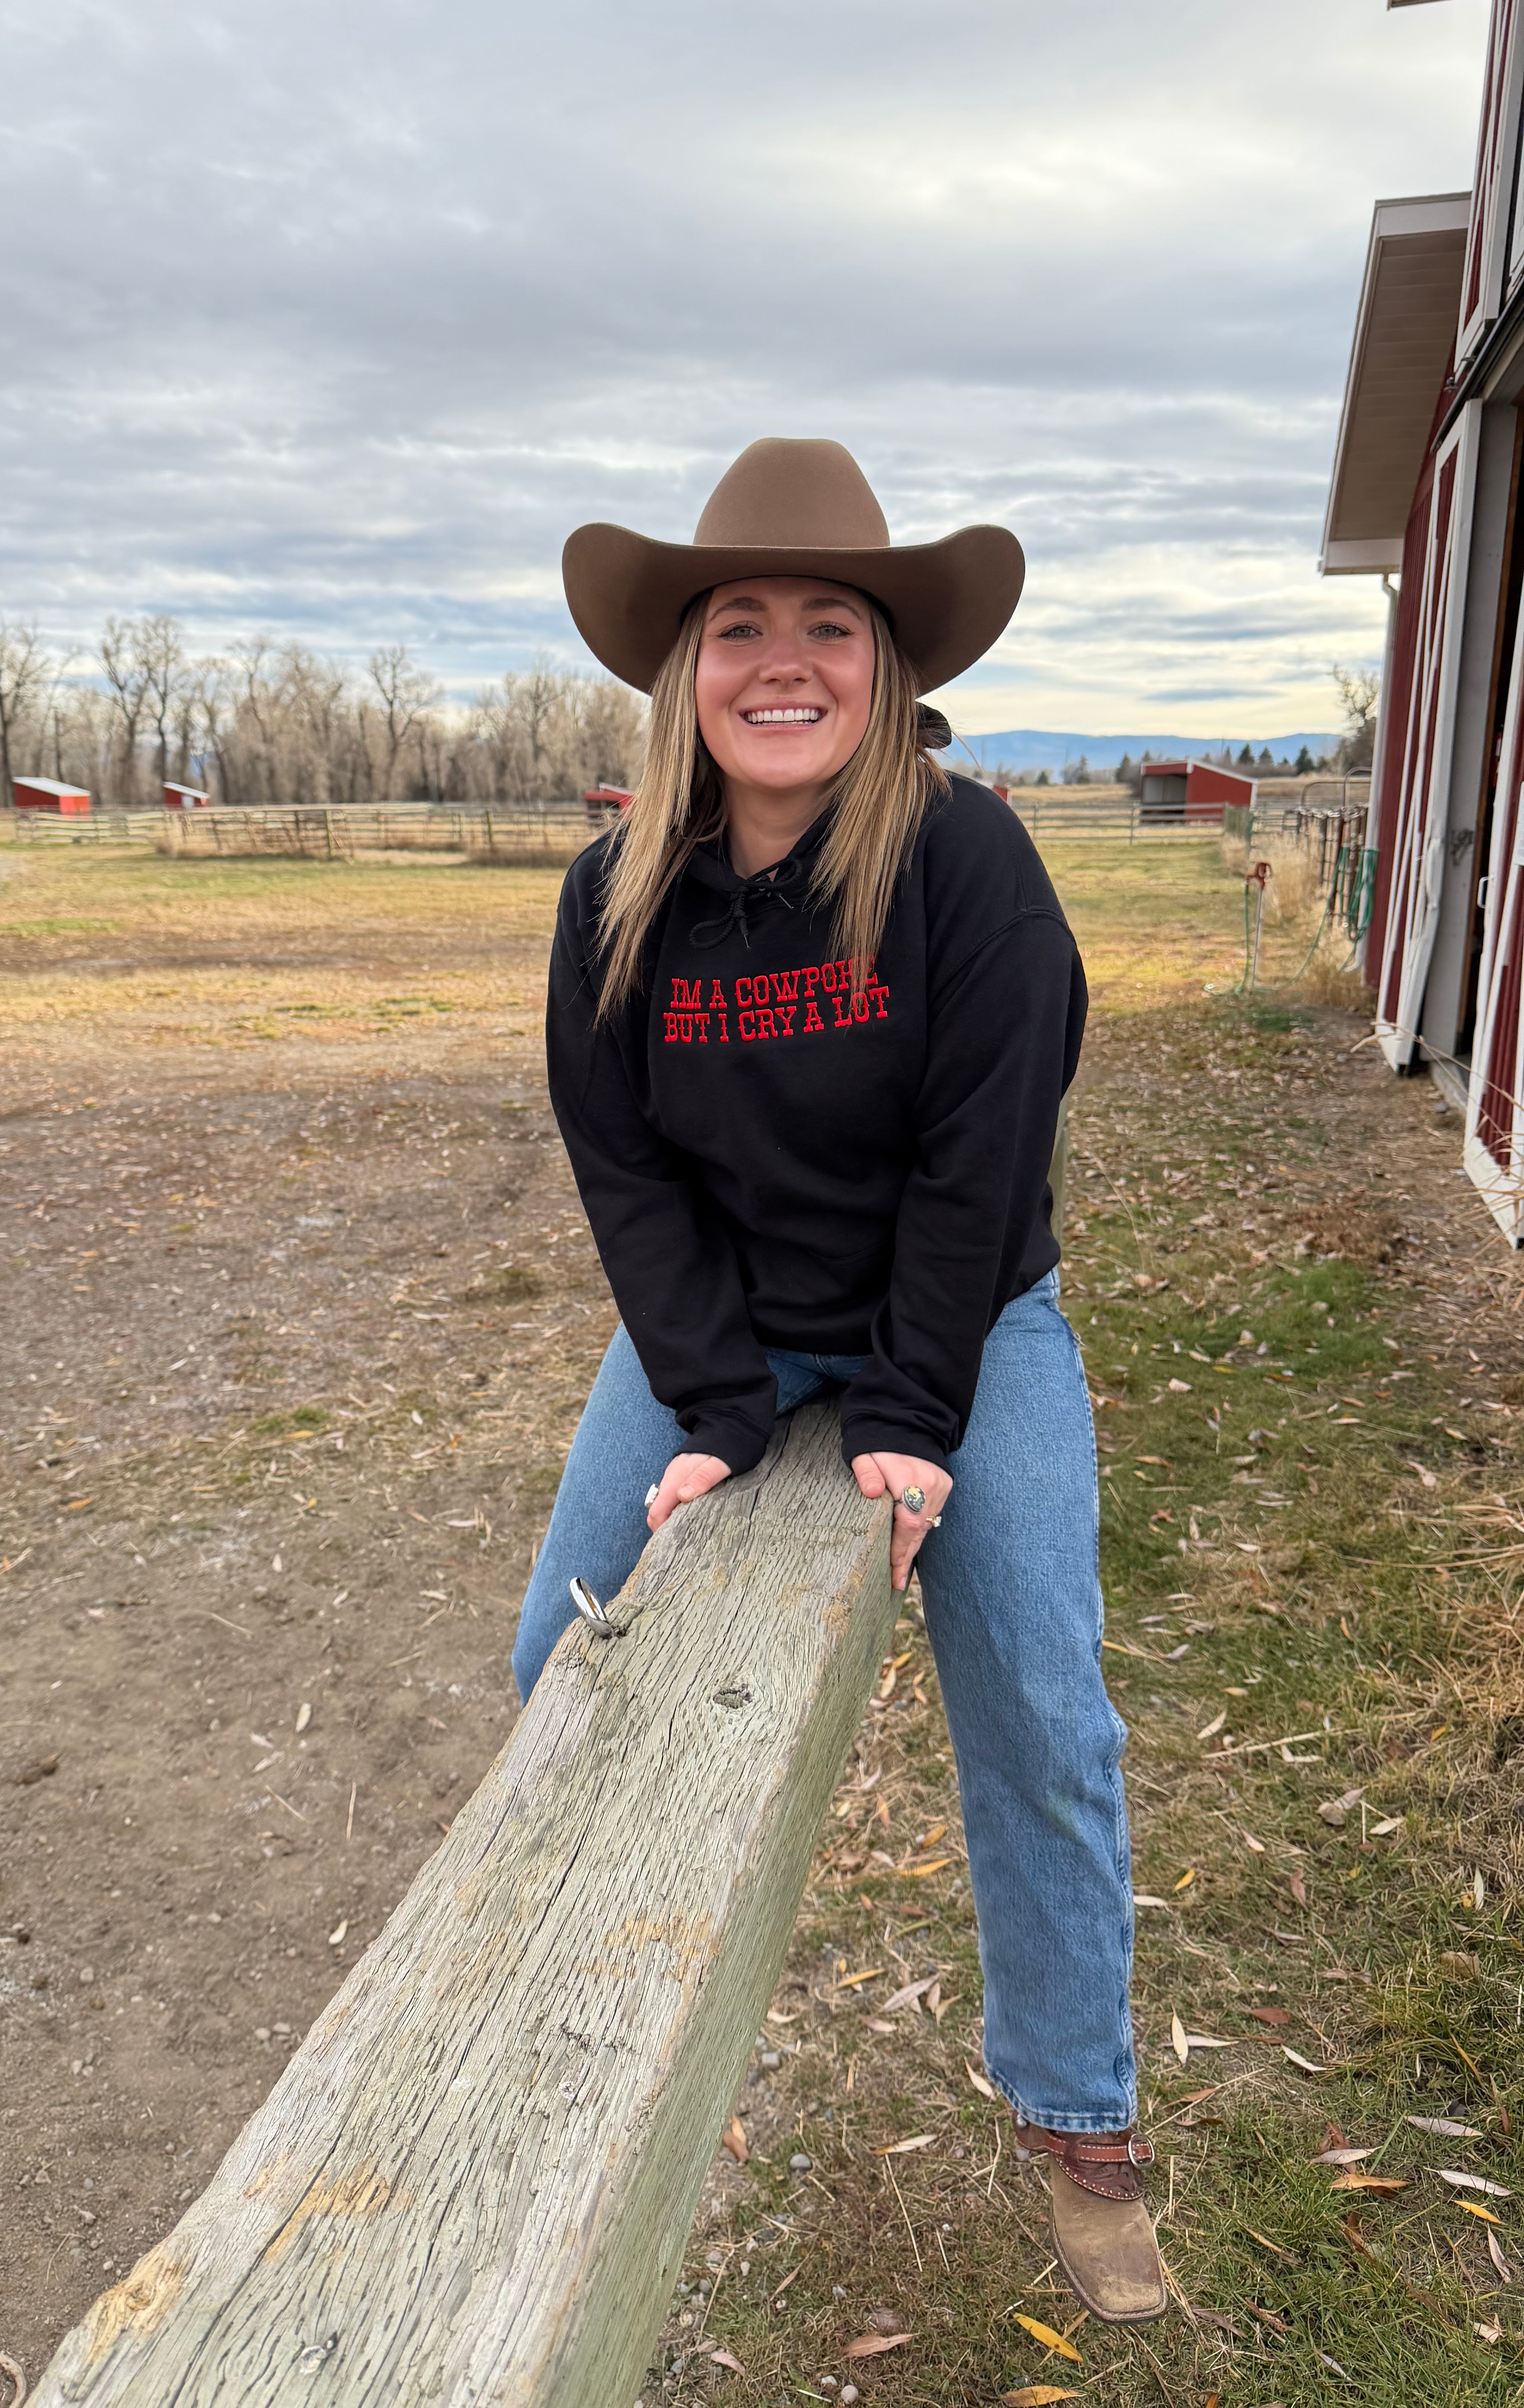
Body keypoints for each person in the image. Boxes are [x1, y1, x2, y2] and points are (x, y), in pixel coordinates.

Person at [511, 437, 1164, 2326]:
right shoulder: (614, 895)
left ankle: (1077, 2115)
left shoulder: (966, 861)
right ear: (683, 669)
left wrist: (904, 1414)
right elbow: (623, 1169)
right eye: (738, 623)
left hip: (963, 1318)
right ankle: (578, 2053)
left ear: (886, 664)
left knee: (1040, 1707)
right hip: (719, 1321)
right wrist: (718, 1407)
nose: (780, 660)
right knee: (558, 1664)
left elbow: (984, 1158)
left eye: (828, 623)